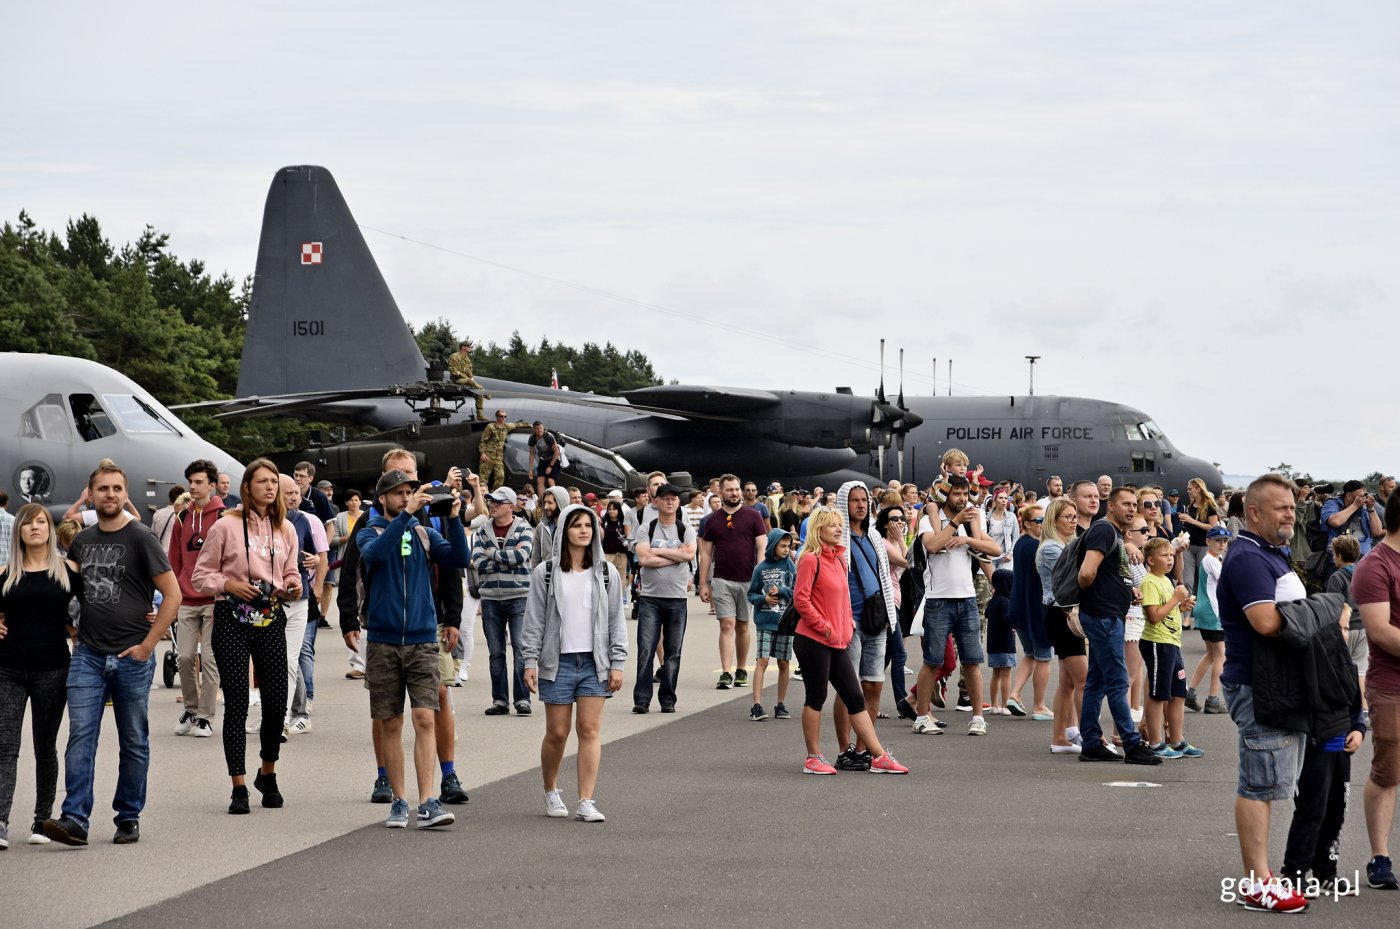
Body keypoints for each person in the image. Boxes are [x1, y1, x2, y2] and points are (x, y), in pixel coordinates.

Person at [44, 460, 181, 846]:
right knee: (80, 737)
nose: (110, 495)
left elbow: (173, 594)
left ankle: (128, 815)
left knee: (133, 740)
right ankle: (74, 820)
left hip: (132, 657)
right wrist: (69, 630)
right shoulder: (82, 541)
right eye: (103, 489)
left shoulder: (141, 537)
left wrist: (148, 645)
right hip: (88, 655)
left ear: (125, 494)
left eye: (117, 489)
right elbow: (61, 589)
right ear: (92, 494)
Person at [1216, 474, 1313, 912]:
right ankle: (1257, 882)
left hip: (1276, 681)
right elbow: (1266, 622)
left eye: (1292, 507)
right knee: (1259, 782)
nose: (1290, 513)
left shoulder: (1270, 554)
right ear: (1253, 512)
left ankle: (1263, 875)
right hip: (1259, 683)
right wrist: (1325, 610)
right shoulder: (1248, 558)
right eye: (1281, 507)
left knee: (1271, 781)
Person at [357, 468, 470, 829]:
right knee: (390, 722)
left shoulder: (426, 532)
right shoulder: (368, 531)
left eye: (409, 492)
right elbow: (377, 553)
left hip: (423, 638)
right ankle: (399, 801)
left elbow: (458, 559)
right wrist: (406, 516)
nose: (406, 498)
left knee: (424, 717)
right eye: (399, 493)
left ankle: (428, 802)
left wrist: (453, 519)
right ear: (383, 499)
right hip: (383, 640)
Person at [192, 459, 301, 815]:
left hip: (270, 616)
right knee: (237, 702)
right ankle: (238, 786)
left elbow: (290, 575)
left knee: (275, 703)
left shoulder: (285, 528)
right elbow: (200, 575)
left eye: (274, 481)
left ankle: (267, 773)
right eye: (263, 482)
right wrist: (229, 584)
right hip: (231, 617)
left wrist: (292, 586)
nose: (270, 488)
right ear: (247, 487)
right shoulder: (225, 526)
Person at [521, 505, 627, 821]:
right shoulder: (547, 572)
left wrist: (618, 661)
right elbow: (534, 619)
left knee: (589, 729)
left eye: (588, 525)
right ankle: (551, 791)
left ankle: (586, 801)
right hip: (558, 662)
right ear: (564, 530)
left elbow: (616, 620)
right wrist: (530, 660)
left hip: (595, 663)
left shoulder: (607, 572)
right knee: (557, 733)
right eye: (576, 525)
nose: (583, 530)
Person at [790, 508, 907, 776]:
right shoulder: (810, 559)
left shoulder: (840, 559)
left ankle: (878, 756)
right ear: (818, 529)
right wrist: (825, 627)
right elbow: (801, 600)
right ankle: (813, 757)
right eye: (831, 525)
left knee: (855, 698)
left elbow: (843, 599)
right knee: (816, 697)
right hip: (813, 640)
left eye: (838, 525)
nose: (836, 529)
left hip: (837, 640)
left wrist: (847, 625)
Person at [0, 504, 81, 848]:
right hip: (8, 669)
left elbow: (100, 603)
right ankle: (0, 821)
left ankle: (41, 821)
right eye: (28, 523)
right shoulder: (5, 573)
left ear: (50, 529)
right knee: (5, 747)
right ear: (18, 531)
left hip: (53, 668)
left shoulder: (68, 571)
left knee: (45, 747)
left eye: (41, 522)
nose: (35, 527)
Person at [911, 474, 1000, 737]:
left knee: (972, 661)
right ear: (946, 495)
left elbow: (994, 549)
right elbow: (933, 544)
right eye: (956, 494)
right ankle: (922, 716)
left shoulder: (972, 522)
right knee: (932, 660)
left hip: (968, 598)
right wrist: (955, 524)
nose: (962, 499)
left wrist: (968, 539)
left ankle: (977, 717)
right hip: (938, 599)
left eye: (965, 494)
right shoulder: (930, 520)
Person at [1075, 486, 1158, 766]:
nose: (1132, 508)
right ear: (1110, 506)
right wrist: (1097, 596)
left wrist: (1124, 590)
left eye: (1135, 504)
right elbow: (1087, 573)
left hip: (1108, 613)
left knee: (1097, 682)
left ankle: (1090, 743)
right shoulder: (1104, 530)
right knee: (1118, 680)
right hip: (1102, 616)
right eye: (1126, 504)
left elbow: (1110, 573)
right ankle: (1132, 745)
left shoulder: (1114, 534)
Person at [832, 482, 899, 767]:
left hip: (876, 619)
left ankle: (863, 749)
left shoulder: (873, 536)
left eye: (864, 500)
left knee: (873, 686)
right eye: (854, 500)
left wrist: (888, 615)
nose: (860, 505)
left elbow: (888, 574)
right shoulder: (836, 538)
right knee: (849, 688)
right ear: (844, 504)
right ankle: (844, 749)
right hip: (849, 621)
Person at [1353, 496, 1400, 890]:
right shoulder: (1375, 565)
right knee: (1388, 772)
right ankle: (1379, 856)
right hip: (1391, 687)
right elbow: (1381, 631)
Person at [167, 459, 225, 738]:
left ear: (212, 485)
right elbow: (174, 559)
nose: (193, 486)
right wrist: (174, 592)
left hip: (215, 599)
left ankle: (205, 717)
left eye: (199, 482)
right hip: (186, 599)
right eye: (190, 481)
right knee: (185, 656)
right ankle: (190, 709)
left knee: (211, 660)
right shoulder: (181, 517)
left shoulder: (224, 516)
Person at [698, 475, 768, 690]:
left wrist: (761, 577)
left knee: (743, 625)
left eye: (737, 489)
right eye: (730, 490)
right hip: (722, 580)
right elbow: (706, 554)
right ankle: (726, 672)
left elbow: (761, 549)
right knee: (726, 624)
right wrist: (703, 583)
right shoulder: (712, 520)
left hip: (748, 580)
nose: (735, 493)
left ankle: (741, 668)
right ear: (720, 492)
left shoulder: (754, 516)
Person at [472, 486, 537, 716]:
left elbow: (522, 555)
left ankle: (522, 699)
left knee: (520, 649)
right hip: (490, 598)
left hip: (519, 596)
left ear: (511, 505)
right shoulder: (482, 530)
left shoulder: (524, 527)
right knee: (496, 652)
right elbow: (477, 561)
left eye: (498, 502)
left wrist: (492, 553)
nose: (492, 505)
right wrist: (505, 557)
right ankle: (500, 700)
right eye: (491, 501)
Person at [631, 484, 694, 714]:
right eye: (665, 498)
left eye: (674, 498)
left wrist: (656, 552)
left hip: (677, 599)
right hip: (650, 599)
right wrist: (674, 556)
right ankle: (642, 698)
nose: (670, 502)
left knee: (673, 651)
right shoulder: (646, 529)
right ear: (655, 502)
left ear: (678, 503)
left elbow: (689, 554)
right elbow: (643, 559)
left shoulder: (684, 529)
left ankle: (668, 698)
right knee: (646, 649)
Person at [1138, 537, 1202, 759]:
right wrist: (1176, 599)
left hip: (1172, 643)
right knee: (1158, 694)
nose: (1170, 559)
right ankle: (1155, 742)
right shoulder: (1150, 582)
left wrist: (1181, 605)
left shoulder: (1166, 580)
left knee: (1178, 693)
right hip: (1157, 643)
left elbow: (1168, 609)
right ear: (1151, 560)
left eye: (1171, 555)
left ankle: (1176, 740)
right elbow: (1154, 616)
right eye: (1165, 556)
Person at [279, 475, 328, 738]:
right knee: (275, 660)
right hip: (267, 601)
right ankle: (276, 713)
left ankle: (297, 713)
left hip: (299, 598)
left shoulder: (306, 520)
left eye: (296, 492)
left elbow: (318, 557)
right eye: (288, 493)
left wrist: (317, 587)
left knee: (295, 656)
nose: (293, 497)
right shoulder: (257, 521)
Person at [1039, 499, 1087, 754]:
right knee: (1083, 680)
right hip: (1061, 614)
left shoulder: (1065, 545)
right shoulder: (1051, 548)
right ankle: (1088, 736)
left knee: (1069, 683)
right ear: (1054, 520)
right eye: (1067, 516)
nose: (1073, 520)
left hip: (1066, 613)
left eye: (1074, 516)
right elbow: (1076, 575)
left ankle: (1061, 737)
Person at [1007, 504, 1053, 720]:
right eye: (1038, 521)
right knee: (1043, 657)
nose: (1043, 524)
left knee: (1030, 654)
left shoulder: (1019, 544)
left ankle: (1014, 694)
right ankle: (1039, 705)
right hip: (1036, 608)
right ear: (1026, 523)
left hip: (1018, 606)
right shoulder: (1038, 546)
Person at [746, 528, 796, 721]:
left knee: (784, 662)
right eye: (782, 546)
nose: (785, 549)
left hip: (784, 622)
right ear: (773, 545)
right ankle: (756, 705)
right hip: (765, 621)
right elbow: (751, 594)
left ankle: (780, 704)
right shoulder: (760, 568)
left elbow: (797, 590)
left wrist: (783, 591)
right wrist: (764, 598)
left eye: (788, 546)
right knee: (763, 661)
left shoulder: (790, 566)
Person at [1186, 526, 1230, 714]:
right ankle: (1213, 699)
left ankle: (1190, 692)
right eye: (1218, 540)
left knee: (1212, 654)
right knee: (1221, 655)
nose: (1222, 544)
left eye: (1225, 541)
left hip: (1205, 610)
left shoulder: (1211, 560)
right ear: (1208, 542)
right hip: (1213, 611)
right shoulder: (1212, 560)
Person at [1177, 478, 1220, 595]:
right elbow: (1188, 527)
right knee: (1188, 580)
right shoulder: (1190, 506)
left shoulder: (1210, 506)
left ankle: (1201, 608)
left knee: (1203, 579)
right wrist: (1183, 531)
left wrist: (1192, 521)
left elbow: (1213, 527)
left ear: (1198, 489)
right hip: (1189, 546)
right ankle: (1187, 611)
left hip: (1204, 546)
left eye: (1190, 489)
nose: (1188, 491)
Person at [984, 568, 1015, 714]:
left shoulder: (993, 601)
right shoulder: (1006, 601)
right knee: (1006, 674)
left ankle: (994, 705)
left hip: (993, 644)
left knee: (996, 674)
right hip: (1005, 643)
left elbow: (987, 614)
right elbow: (1009, 620)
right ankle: (1005, 705)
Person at [448, 339, 489, 420]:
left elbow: (469, 373)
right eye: (468, 346)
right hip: (456, 381)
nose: (470, 347)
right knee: (470, 382)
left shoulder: (467, 360)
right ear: (463, 347)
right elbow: (453, 370)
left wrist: (472, 379)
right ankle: (484, 392)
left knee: (478, 393)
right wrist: (465, 377)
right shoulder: (455, 356)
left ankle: (480, 415)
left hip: (466, 381)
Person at [527, 421, 561, 496]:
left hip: (553, 459)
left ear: (543, 428)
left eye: (541, 428)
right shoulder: (532, 438)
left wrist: (550, 466)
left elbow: (556, 452)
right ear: (534, 429)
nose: (539, 430)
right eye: (537, 429)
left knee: (550, 480)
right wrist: (530, 469)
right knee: (540, 480)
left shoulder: (548, 436)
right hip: (543, 459)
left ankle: (555, 499)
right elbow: (532, 454)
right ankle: (541, 502)